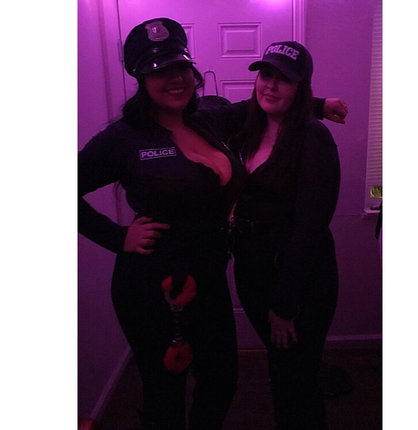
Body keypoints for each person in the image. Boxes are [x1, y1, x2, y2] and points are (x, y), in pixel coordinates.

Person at [79, 17, 347, 430]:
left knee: (221, 381)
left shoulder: (208, 119)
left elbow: (263, 104)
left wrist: (319, 104)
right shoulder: (124, 137)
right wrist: (117, 237)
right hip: (153, 284)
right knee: (165, 393)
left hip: (210, 279)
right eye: (159, 71)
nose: (175, 79)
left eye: (181, 67)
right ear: (140, 78)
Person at [230, 41, 341, 430]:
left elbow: (311, 228)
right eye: (266, 75)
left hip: (299, 281)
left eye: (284, 79)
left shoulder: (313, 139)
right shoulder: (248, 126)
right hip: (253, 271)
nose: (271, 85)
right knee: (282, 367)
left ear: (301, 87)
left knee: (297, 378)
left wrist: (284, 304)